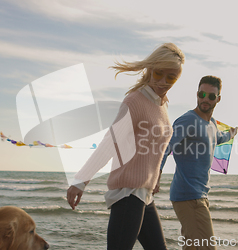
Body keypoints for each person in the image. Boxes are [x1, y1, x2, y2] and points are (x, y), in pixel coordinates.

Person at [66, 43, 185, 250]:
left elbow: (153, 148)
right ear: (150, 69)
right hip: (128, 194)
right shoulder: (135, 101)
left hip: (143, 194)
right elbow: (109, 143)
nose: (163, 82)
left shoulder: (162, 104)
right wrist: (80, 180)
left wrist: (153, 179)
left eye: (171, 77)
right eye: (159, 73)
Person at [158, 75, 238, 250]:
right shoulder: (188, 120)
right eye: (202, 94)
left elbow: (219, 138)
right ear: (197, 94)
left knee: (192, 246)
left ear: (218, 99)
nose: (205, 99)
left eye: (211, 96)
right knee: (207, 247)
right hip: (189, 196)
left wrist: (231, 134)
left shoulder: (212, 124)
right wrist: (156, 175)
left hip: (200, 195)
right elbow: (166, 146)